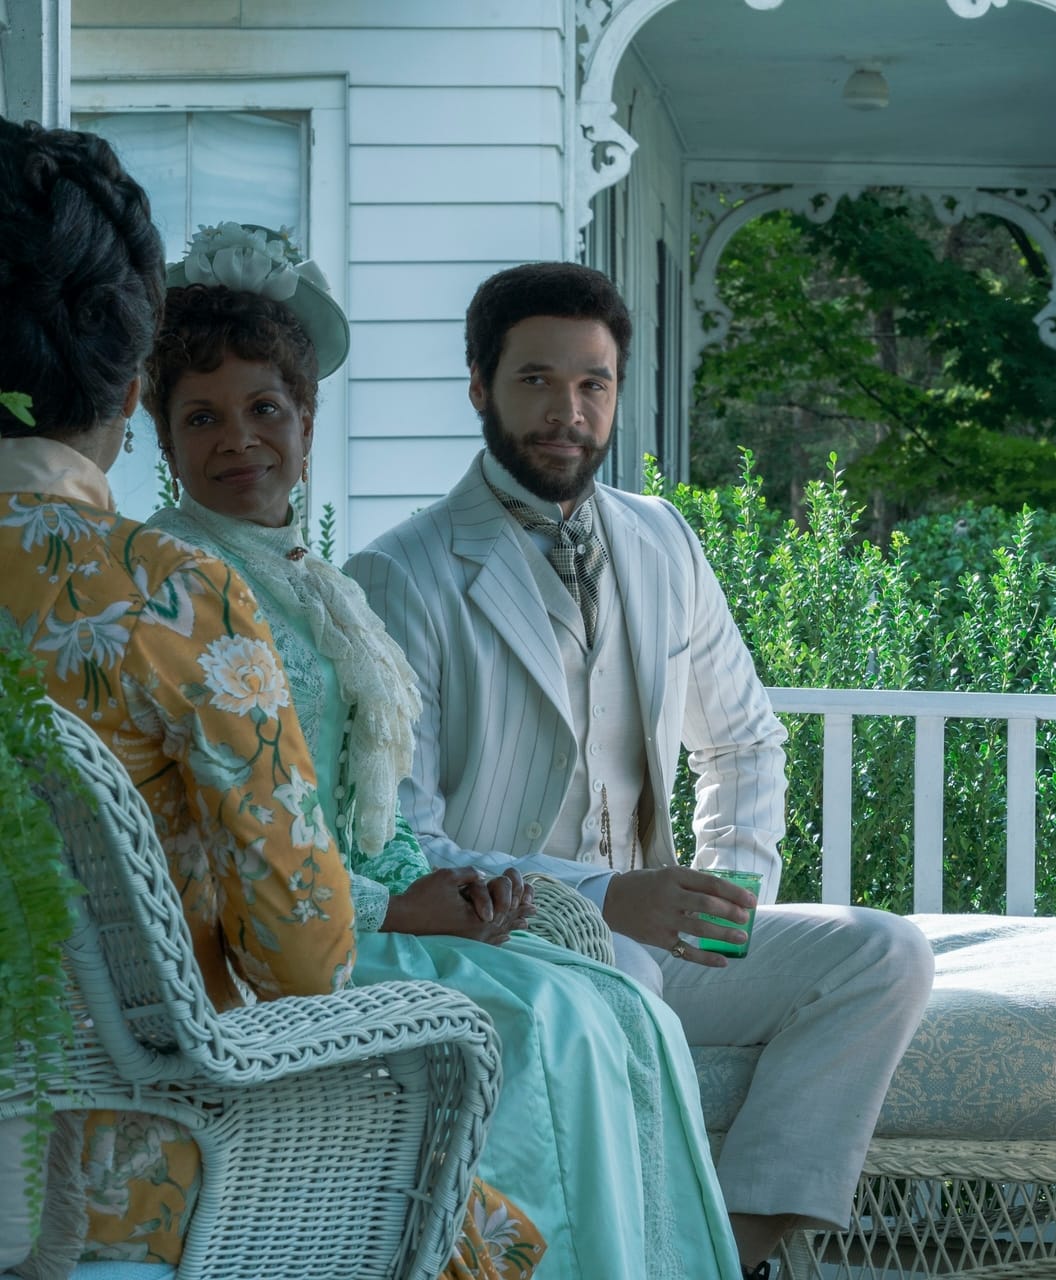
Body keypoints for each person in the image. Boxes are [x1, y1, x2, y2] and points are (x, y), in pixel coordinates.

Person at [0, 119, 542, 1279]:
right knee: (499, 1235)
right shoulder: (169, 596)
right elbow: (305, 957)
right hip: (140, 1162)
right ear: (131, 375)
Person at [142, 229, 740, 1279]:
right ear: (162, 435)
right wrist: (396, 905)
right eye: (202, 417)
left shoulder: (305, 577)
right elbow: (216, 834)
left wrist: (444, 887)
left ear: (308, 417)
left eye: (264, 409)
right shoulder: (181, 584)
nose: (239, 440)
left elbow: (373, 804)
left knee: (621, 1003)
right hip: (273, 946)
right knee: (556, 1011)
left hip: (369, 903)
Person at [345, 261, 936, 1273]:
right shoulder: (401, 573)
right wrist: (611, 899)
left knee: (881, 951)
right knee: (617, 971)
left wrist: (730, 890)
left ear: (617, 390)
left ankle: (736, 1245)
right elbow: (408, 836)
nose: (566, 412)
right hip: (516, 940)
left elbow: (744, 735)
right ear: (479, 385)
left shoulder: (662, 537)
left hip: (656, 927)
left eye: (593, 384)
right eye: (535, 380)